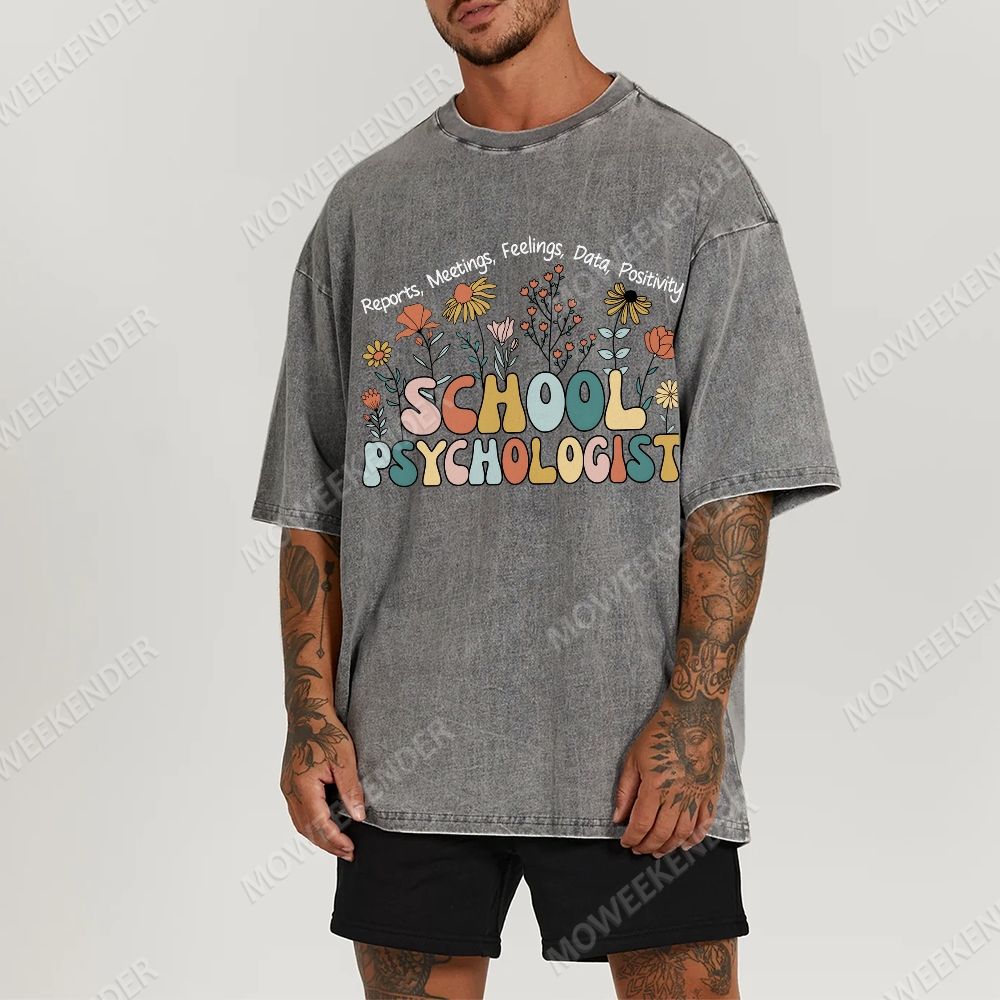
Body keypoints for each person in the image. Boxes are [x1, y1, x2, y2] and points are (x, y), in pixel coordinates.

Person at [252, 1, 840, 996]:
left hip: (634, 752)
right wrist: (309, 713)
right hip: (404, 763)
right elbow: (313, 497)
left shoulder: (697, 184)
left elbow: (732, 487)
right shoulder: (368, 207)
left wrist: (693, 710)